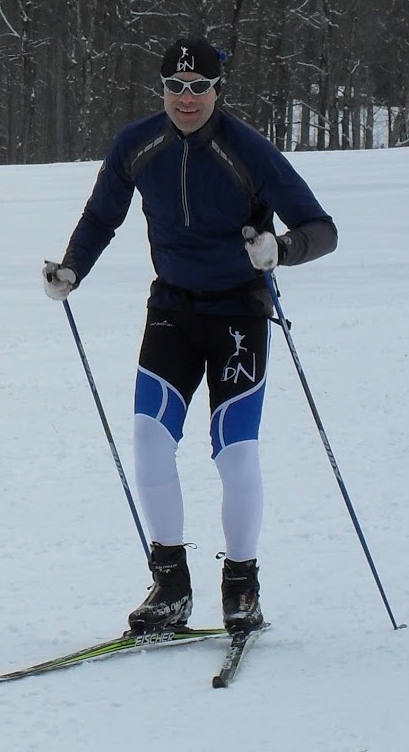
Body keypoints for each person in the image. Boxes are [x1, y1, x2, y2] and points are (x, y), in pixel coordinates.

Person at [42, 35, 337, 637]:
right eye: (175, 88)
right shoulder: (136, 145)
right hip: (172, 310)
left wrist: (279, 248)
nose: (186, 99)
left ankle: (241, 586)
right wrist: (73, 267)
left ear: (216, 89)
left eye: (198, 87)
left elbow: (321, 228)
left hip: (239, 315)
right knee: (150, 441)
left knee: (235, 452)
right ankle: (170, 586)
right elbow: (103, 216)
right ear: (162, 90)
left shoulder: (247, 150)